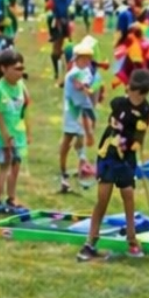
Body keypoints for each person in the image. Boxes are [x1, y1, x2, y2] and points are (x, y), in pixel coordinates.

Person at [77, 69, 149, 261]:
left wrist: (134, 145)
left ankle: (132, 240)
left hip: (127, 158)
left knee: (128, 195)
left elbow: (139, 135)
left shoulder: (146, 110)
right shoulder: (119, 104)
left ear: (141, 92)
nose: (128, 90)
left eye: (133, 89)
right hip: (109, 155)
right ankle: (90, 243)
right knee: (103, 198)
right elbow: (117, 124)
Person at [0, 48, 30, 214]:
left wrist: (26, 131)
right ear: (3, 69)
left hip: (18, 133)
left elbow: (27, 102)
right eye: (16, 69)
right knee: (4, 167)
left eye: (22, 68)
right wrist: (6, 137)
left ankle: (11, 199)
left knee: (16, 166)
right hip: (3, 135)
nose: (20, 72)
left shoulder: (20, 84)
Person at [58, 35, 99, 193]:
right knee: (67, 141)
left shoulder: (87, 71)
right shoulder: (72, 75)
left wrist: (88, 87)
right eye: (85, 59)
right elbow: (77, 86)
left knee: (80, 139)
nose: (88, 61)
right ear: (77, 59)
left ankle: (82, 165)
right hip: (73, 111)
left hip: (83, 109)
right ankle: (63, 171)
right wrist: (83, 87)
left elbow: (87, 83)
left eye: (89, 58)